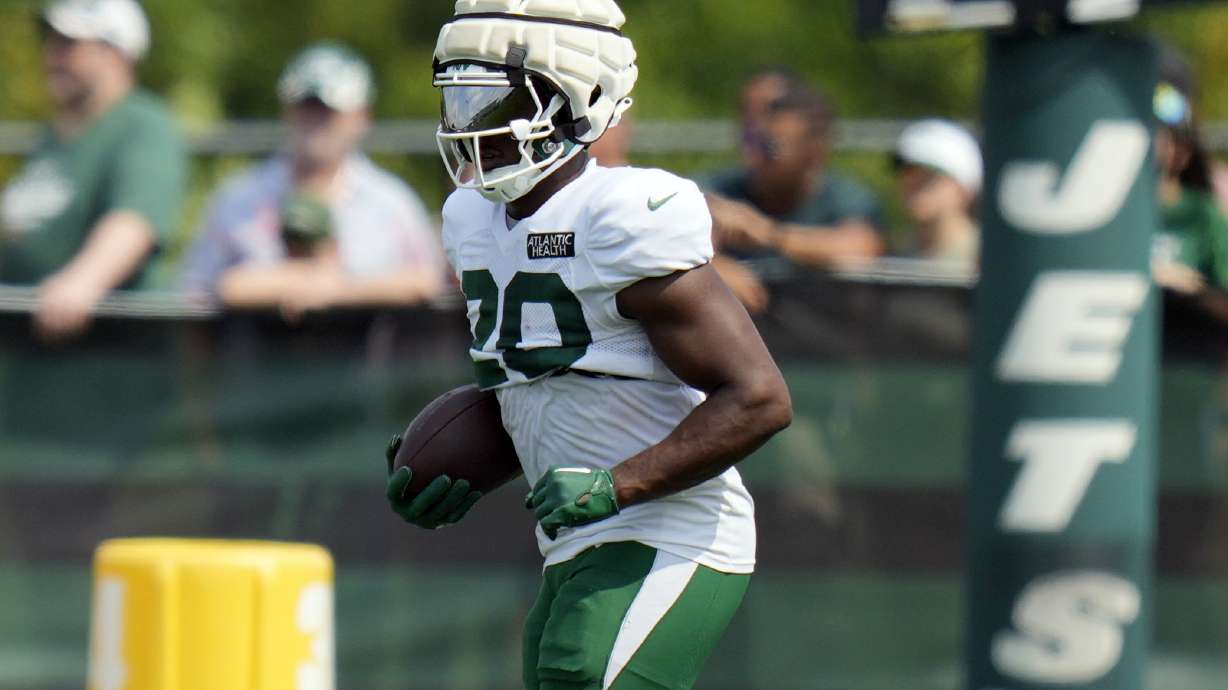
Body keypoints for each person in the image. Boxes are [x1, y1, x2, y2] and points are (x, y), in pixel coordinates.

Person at [384, 3, 793, 689]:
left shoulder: (619, 216)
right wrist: (444, 458)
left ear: (577, 99)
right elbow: (546, 378)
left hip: (674, 530)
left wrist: (618, 484)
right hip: (578, 539)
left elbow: (759, 398)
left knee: (582, 674)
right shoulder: (470, 220)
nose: (468, 121)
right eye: (458, 97)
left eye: (491, 96)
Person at [180, 42, 444, 320]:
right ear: (287, 111)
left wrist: (335, 290)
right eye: (307, 108)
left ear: (362, 116)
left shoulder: (391, 203)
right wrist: (302, 283)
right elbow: (198, 292)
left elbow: (429, 281)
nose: (316, 122)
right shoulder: (237, 201)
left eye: (329, 111)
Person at [0, 0, 187, 341]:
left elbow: (135, 220)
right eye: (51, 41)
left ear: (116, 53)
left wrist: (84, 280)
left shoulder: (141, 125)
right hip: (30, 365)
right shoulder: (52, 139)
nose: (52, 56)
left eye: (69, 44)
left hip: (106, 363)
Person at [703, 80, 885, 313]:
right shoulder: (724, 190)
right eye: (754, 141)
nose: (755, 155)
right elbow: (679, 239)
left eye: (771, 148)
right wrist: (711, 270)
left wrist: (770, 234)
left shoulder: (845, 198)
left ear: (814, 153)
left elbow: (861, 248)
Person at [892, 118, 982, 269]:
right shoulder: (896, 254)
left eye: (928, 177)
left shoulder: (986, 258)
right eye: (907, 172)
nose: (913, 184)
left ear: (962, 188)